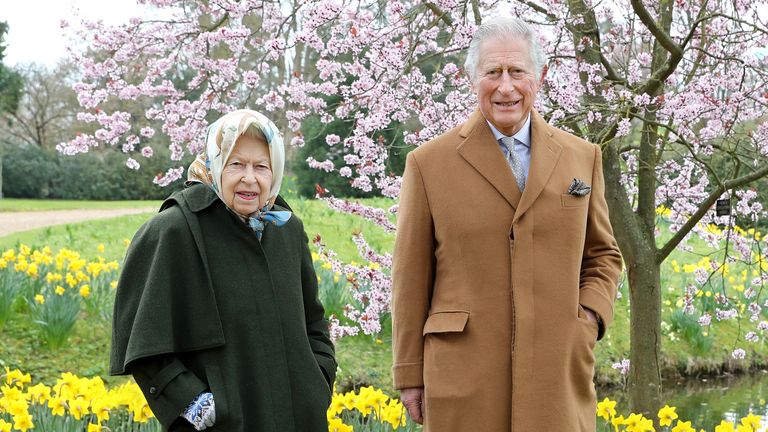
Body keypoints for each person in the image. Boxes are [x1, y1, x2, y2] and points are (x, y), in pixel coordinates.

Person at [391, 16, 623, 432]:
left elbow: (603, 253)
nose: (505, 87)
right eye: (492, 72)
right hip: (464, 375)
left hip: (557, 372)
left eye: (518, 71)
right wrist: (409, 373)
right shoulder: (428, 164)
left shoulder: (581, 157)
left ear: (541, 76)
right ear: (471, 79)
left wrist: (588, 317)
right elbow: (410, 276)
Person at [110, 109, 336, 432]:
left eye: (261, 166)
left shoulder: (286, 228)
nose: (249, 178)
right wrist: (192, 403)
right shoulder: (176, 229)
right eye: (236, 164)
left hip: (301, 419)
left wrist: (319, 379)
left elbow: (314, 321)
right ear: (216, 164)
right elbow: (141, 337)